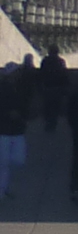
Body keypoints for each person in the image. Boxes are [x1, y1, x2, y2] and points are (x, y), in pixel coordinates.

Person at [0, 59, 29, 199]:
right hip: (4, 131)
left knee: (18, 160)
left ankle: (4, 186)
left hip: (17, 130)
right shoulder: (3, 89)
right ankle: (3, 190)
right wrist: (7, 114)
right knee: (4, 163)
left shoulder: (19, 87)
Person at [37, 48, 69, 134]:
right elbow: (64, 75)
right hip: (57, 88)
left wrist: (40, 85)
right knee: (55, 107)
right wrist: (65, 87)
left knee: (47, 106)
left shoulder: (45, 61)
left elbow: (41, 73)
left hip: (47, 87)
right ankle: (52, 124)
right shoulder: (61, 61)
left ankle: (48, 124)